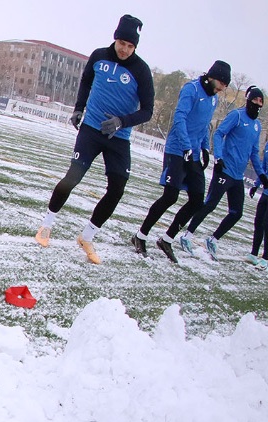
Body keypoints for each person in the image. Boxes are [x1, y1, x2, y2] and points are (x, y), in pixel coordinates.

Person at [34, 14, 154, 263]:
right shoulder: (99, 56)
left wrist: (121, 121)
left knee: (117, 189)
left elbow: (147, 111)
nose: (124, 49)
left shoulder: (141, 70)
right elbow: (86, 82)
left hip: (118, 137)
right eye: (122, 43)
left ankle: (87, 236)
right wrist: (79, 108)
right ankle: (46, 225)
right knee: (73, 177)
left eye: (130, 46)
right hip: (90, 130)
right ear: (115, 38)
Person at [132, 60, 231, 262]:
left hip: (193, 153)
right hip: (177, 149)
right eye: (222, 83)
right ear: (212, 77)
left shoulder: (213, 99)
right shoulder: (191, 89)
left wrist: (205, 148)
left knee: (197, 200)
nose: (222, 88)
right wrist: (186, 146)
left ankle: (167, 239)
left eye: (225, 85)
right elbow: (179, 118)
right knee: (170, 196)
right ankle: (140, 236)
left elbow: (204, 126)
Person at [176, 84, 266, 260]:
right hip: (224, 169)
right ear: (249, 100)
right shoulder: (237, 115)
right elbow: (218, 134)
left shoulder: (257, 126)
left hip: (238, 176)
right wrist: (218, 157)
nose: (257, 103)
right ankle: (187, 235)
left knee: (237, 213)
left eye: (260, 101)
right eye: (255, 100)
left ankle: (213, 239)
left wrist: (261, 174)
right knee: (210, 204)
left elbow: (255, 152)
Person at [249, 176, 268, 267]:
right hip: (265, 194)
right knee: (258, 222)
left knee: (267, 225)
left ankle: (266, 259)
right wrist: (256, 185)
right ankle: (253, 254)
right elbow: (263, 171)